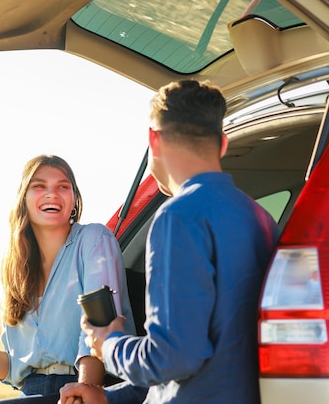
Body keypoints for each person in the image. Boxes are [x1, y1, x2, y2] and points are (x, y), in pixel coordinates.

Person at [59, 80, 280, 404]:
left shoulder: (178, 216)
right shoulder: (261, 219)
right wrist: (108, 398)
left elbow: (173, 357)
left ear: (154, 140)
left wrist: (108, 344)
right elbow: (211, 361)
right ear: (222, 143)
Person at [0, 154, 136, 400]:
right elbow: (15, 370)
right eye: (39, 186)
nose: (52, 194)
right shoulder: (14, 266)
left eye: (63, 187)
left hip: (90, 388)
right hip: (32, 394)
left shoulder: (94, 239)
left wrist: (85, 389)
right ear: (23, 199)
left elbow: (100, 324)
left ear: (74, 199)